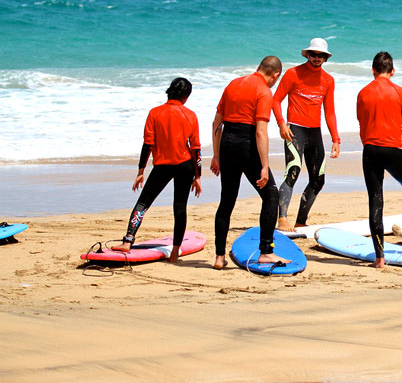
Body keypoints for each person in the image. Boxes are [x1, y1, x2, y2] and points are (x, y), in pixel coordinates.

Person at [210, 56, 289, 270]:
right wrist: (264, 165)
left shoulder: (233, 84)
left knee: (226, 201)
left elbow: (217, 122)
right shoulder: (264, 91)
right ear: (276, 75)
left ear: (258, 68)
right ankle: (266, 252)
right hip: (247, 144)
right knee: (271, 195)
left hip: (227, 144)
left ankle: (219, 257)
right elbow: (261, 131)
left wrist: (216, 155)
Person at [111, 78, 202, 263]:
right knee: (179, 207)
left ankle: (128, 241)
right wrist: (198, 176)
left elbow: (148, 143)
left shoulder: (155, 113)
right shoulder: (190, 115)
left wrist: (141, 170)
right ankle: (175, 251)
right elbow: (196, 149)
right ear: (186, 96)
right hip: (185, 165)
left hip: (162, 165)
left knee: (143, 204)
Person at [356, 51, 402, 268]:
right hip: (392, 150)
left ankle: (379, 257)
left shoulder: (362, 93)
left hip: (369, 150)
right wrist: (396, 125)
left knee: (375, 199)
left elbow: (363, 124)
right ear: (393, 71)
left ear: (373, 70)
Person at [272, 38, 341, 232]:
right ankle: (282, 218)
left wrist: (336, 139)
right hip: (295, 130)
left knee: (318, 179)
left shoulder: (328, 80)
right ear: (307, 55)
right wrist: (281, 124)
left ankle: (301, 221)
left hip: (315, 132)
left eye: (320, 55)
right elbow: (275, 100)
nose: (316, 58)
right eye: (313, 54)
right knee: (293, 171)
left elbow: (330, 111)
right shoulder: (293, 74)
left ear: (325, 58)